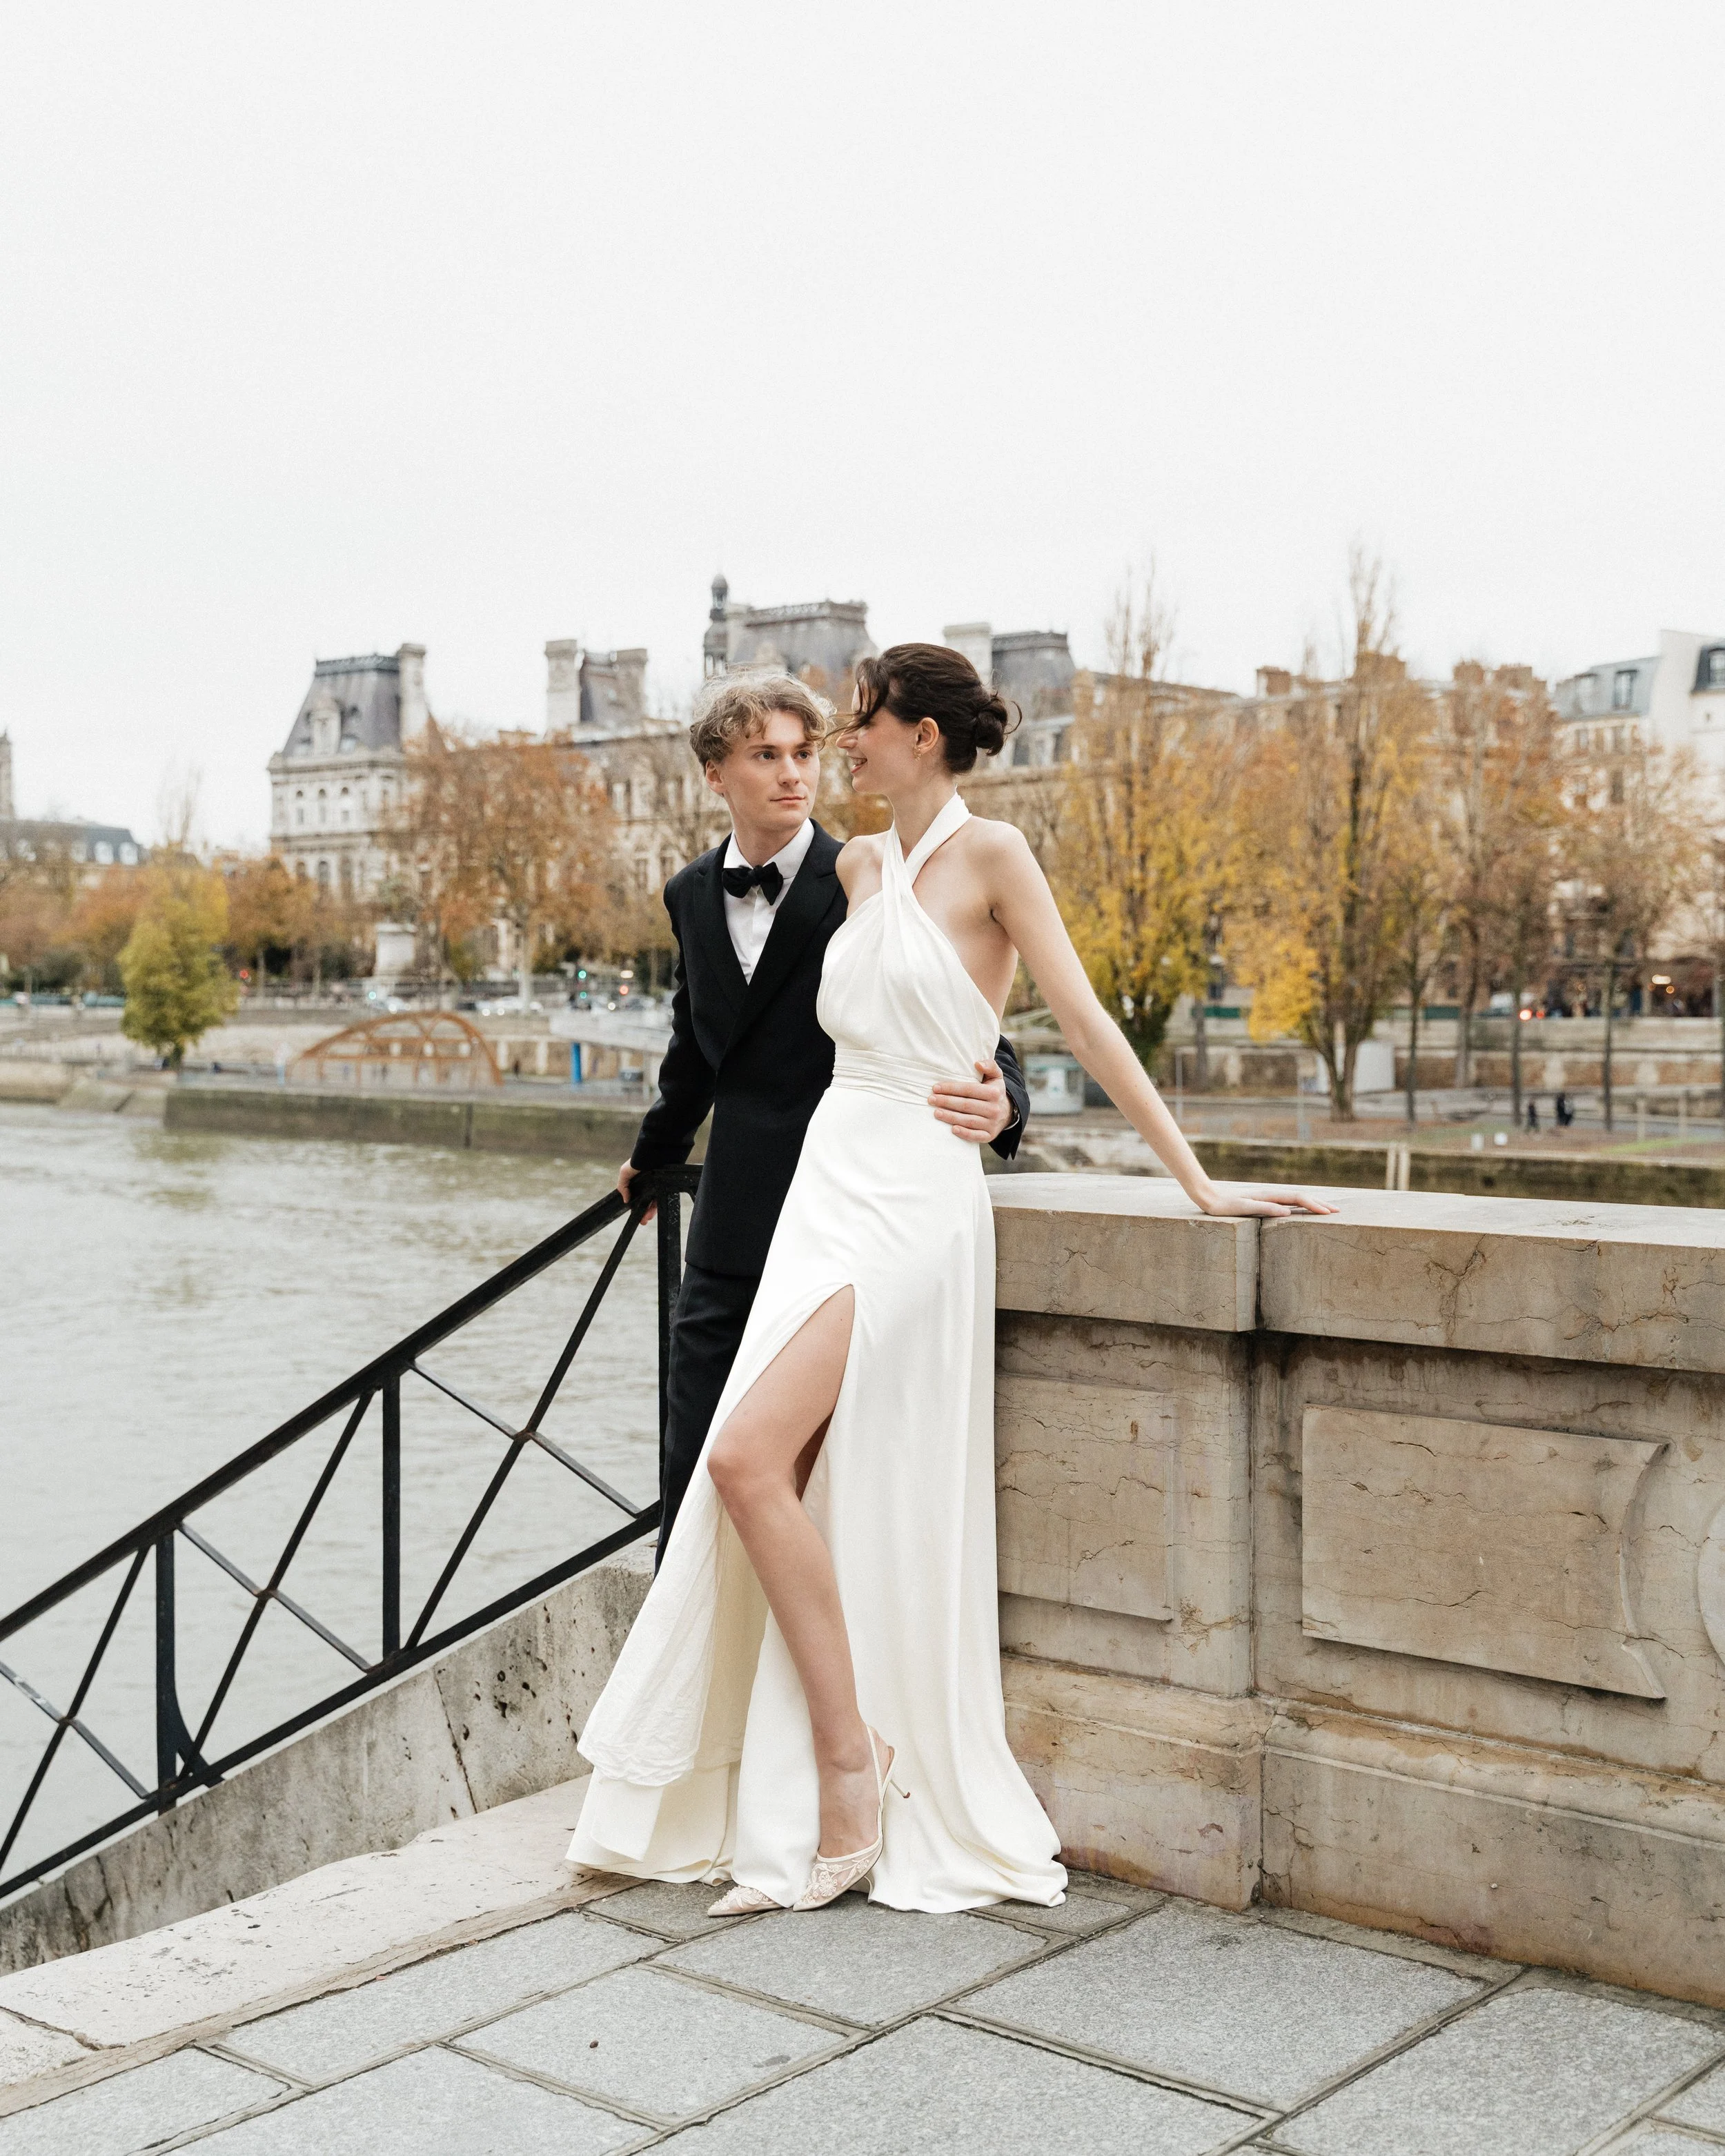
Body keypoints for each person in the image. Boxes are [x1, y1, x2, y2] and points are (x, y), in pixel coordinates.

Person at [568, 644, 1335, 1917]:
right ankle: (824, 1763)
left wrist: (1189, 1178)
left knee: (746, 1460)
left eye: (853, 729)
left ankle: (850, 1768)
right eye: (799, 744)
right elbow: (735, 1035)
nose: (832, 751)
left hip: (917, 1198)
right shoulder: (860, 869)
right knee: (768, 1468)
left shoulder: (998, 858)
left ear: (918, 737)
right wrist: (653, 1161)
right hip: (824, 1184)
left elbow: (1077, 1021)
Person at [622, 673, 1031, 1562]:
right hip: (728, 1214)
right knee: (690, 1459)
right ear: (713, 774)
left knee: (810, 1475)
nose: (792, 774)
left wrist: (1007, 1102)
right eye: (765, 756)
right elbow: (693, 1046)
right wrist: (651, 1158)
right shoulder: (691, 894)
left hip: (842, 1213)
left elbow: (950, 1016)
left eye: (804, 754)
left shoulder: (867, 871)